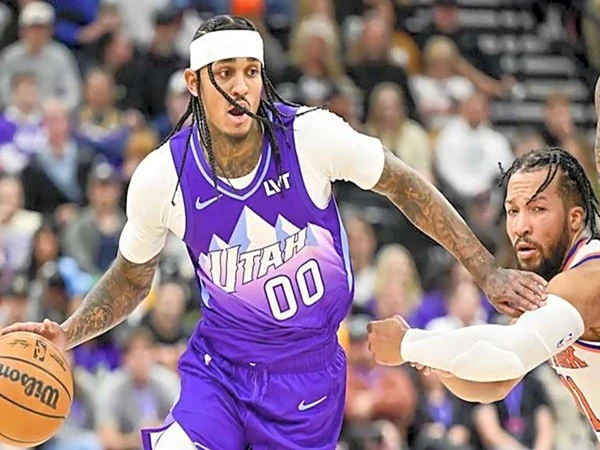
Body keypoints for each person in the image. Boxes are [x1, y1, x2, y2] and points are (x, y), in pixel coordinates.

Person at [1, 14, 546, 450]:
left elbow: (406, 186)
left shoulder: (310, 136)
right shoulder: (162, 176)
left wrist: (487, 271)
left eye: (251, 72)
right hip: (221, 369)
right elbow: (131, 277)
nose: (240, 87)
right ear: (194, 83)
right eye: (224, 73)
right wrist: (69, 333)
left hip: (308, 375)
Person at [367, 147, 600, 440]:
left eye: (537, 209)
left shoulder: (589, 277)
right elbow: (494, 383)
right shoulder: (551, 290)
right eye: (513, 211)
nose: (521, 227)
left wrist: (408, 343)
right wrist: (437, 359)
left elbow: (508, 355)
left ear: (575, 218)